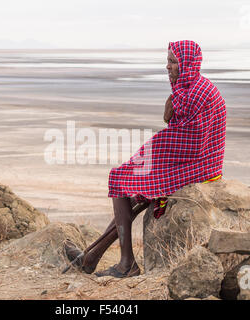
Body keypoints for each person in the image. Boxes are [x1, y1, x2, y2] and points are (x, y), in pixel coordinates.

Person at [65, 40, 227, 278]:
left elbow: (190, 143)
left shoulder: (196, 94)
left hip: (199, 164)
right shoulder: (190, 88)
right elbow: (178, 129)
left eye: (173, 61)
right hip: (196, 160)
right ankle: (90, 258)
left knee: (121, 182)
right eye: (168, 61)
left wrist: (154, 148)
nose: (167, 66)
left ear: (188, 64)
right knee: (134, 194)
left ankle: (125, 263)